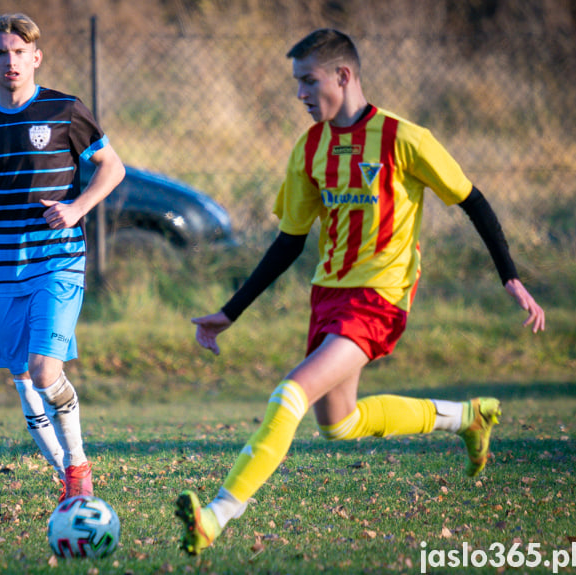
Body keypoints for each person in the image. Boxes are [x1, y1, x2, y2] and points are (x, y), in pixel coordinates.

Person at [175, 28, 545, 555]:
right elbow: (289, 243)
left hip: (380, 298)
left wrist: (509, 276)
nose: (300, 94)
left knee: (291, 394)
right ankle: (470, 418)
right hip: (328, 295)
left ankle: (214, 518)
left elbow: (472, 200)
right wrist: (230, 312)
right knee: (339, 424)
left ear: (343, 76)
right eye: (297, 83)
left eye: (309, 81)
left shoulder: (405, 138)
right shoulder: (310, 147)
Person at [0, 13, 125, 502]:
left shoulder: (66, 111)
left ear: (36, 57)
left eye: (20, 52)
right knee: (23, 378)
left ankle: (78, 467)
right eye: (0, 53)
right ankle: (67, 473)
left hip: (58, 261)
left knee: (46, 371)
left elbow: (113, 167)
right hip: (0, 268)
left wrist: (77, 207)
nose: (10, 61)